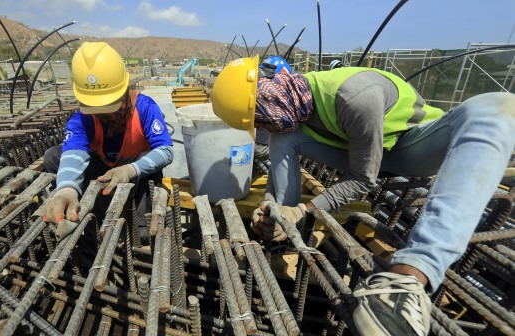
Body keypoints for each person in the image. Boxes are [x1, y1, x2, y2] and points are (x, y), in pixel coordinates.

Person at [211, 55, 515, 336]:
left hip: (408, 148)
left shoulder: (354, 96)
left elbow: (363, 178)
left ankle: (408, 280)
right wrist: (273, 207)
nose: (263, 128)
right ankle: (282, 221)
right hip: (358, 150)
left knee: (495, 106)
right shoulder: (292, 102)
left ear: (268, 97)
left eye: (261, 120)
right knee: (284, 137)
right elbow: (285, 140)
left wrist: (306, 208)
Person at [42, 42, 173, 243]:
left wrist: (129, 169)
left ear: (123, 90)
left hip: (135, 174)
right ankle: (91, 207)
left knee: (150, 160)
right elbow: (73, 153)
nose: (104, 113)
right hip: (103, 172)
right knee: (53, 155)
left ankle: (140, 226)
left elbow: (166, 151)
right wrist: (67, 189)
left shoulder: (145, 108)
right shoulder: (82, 119)